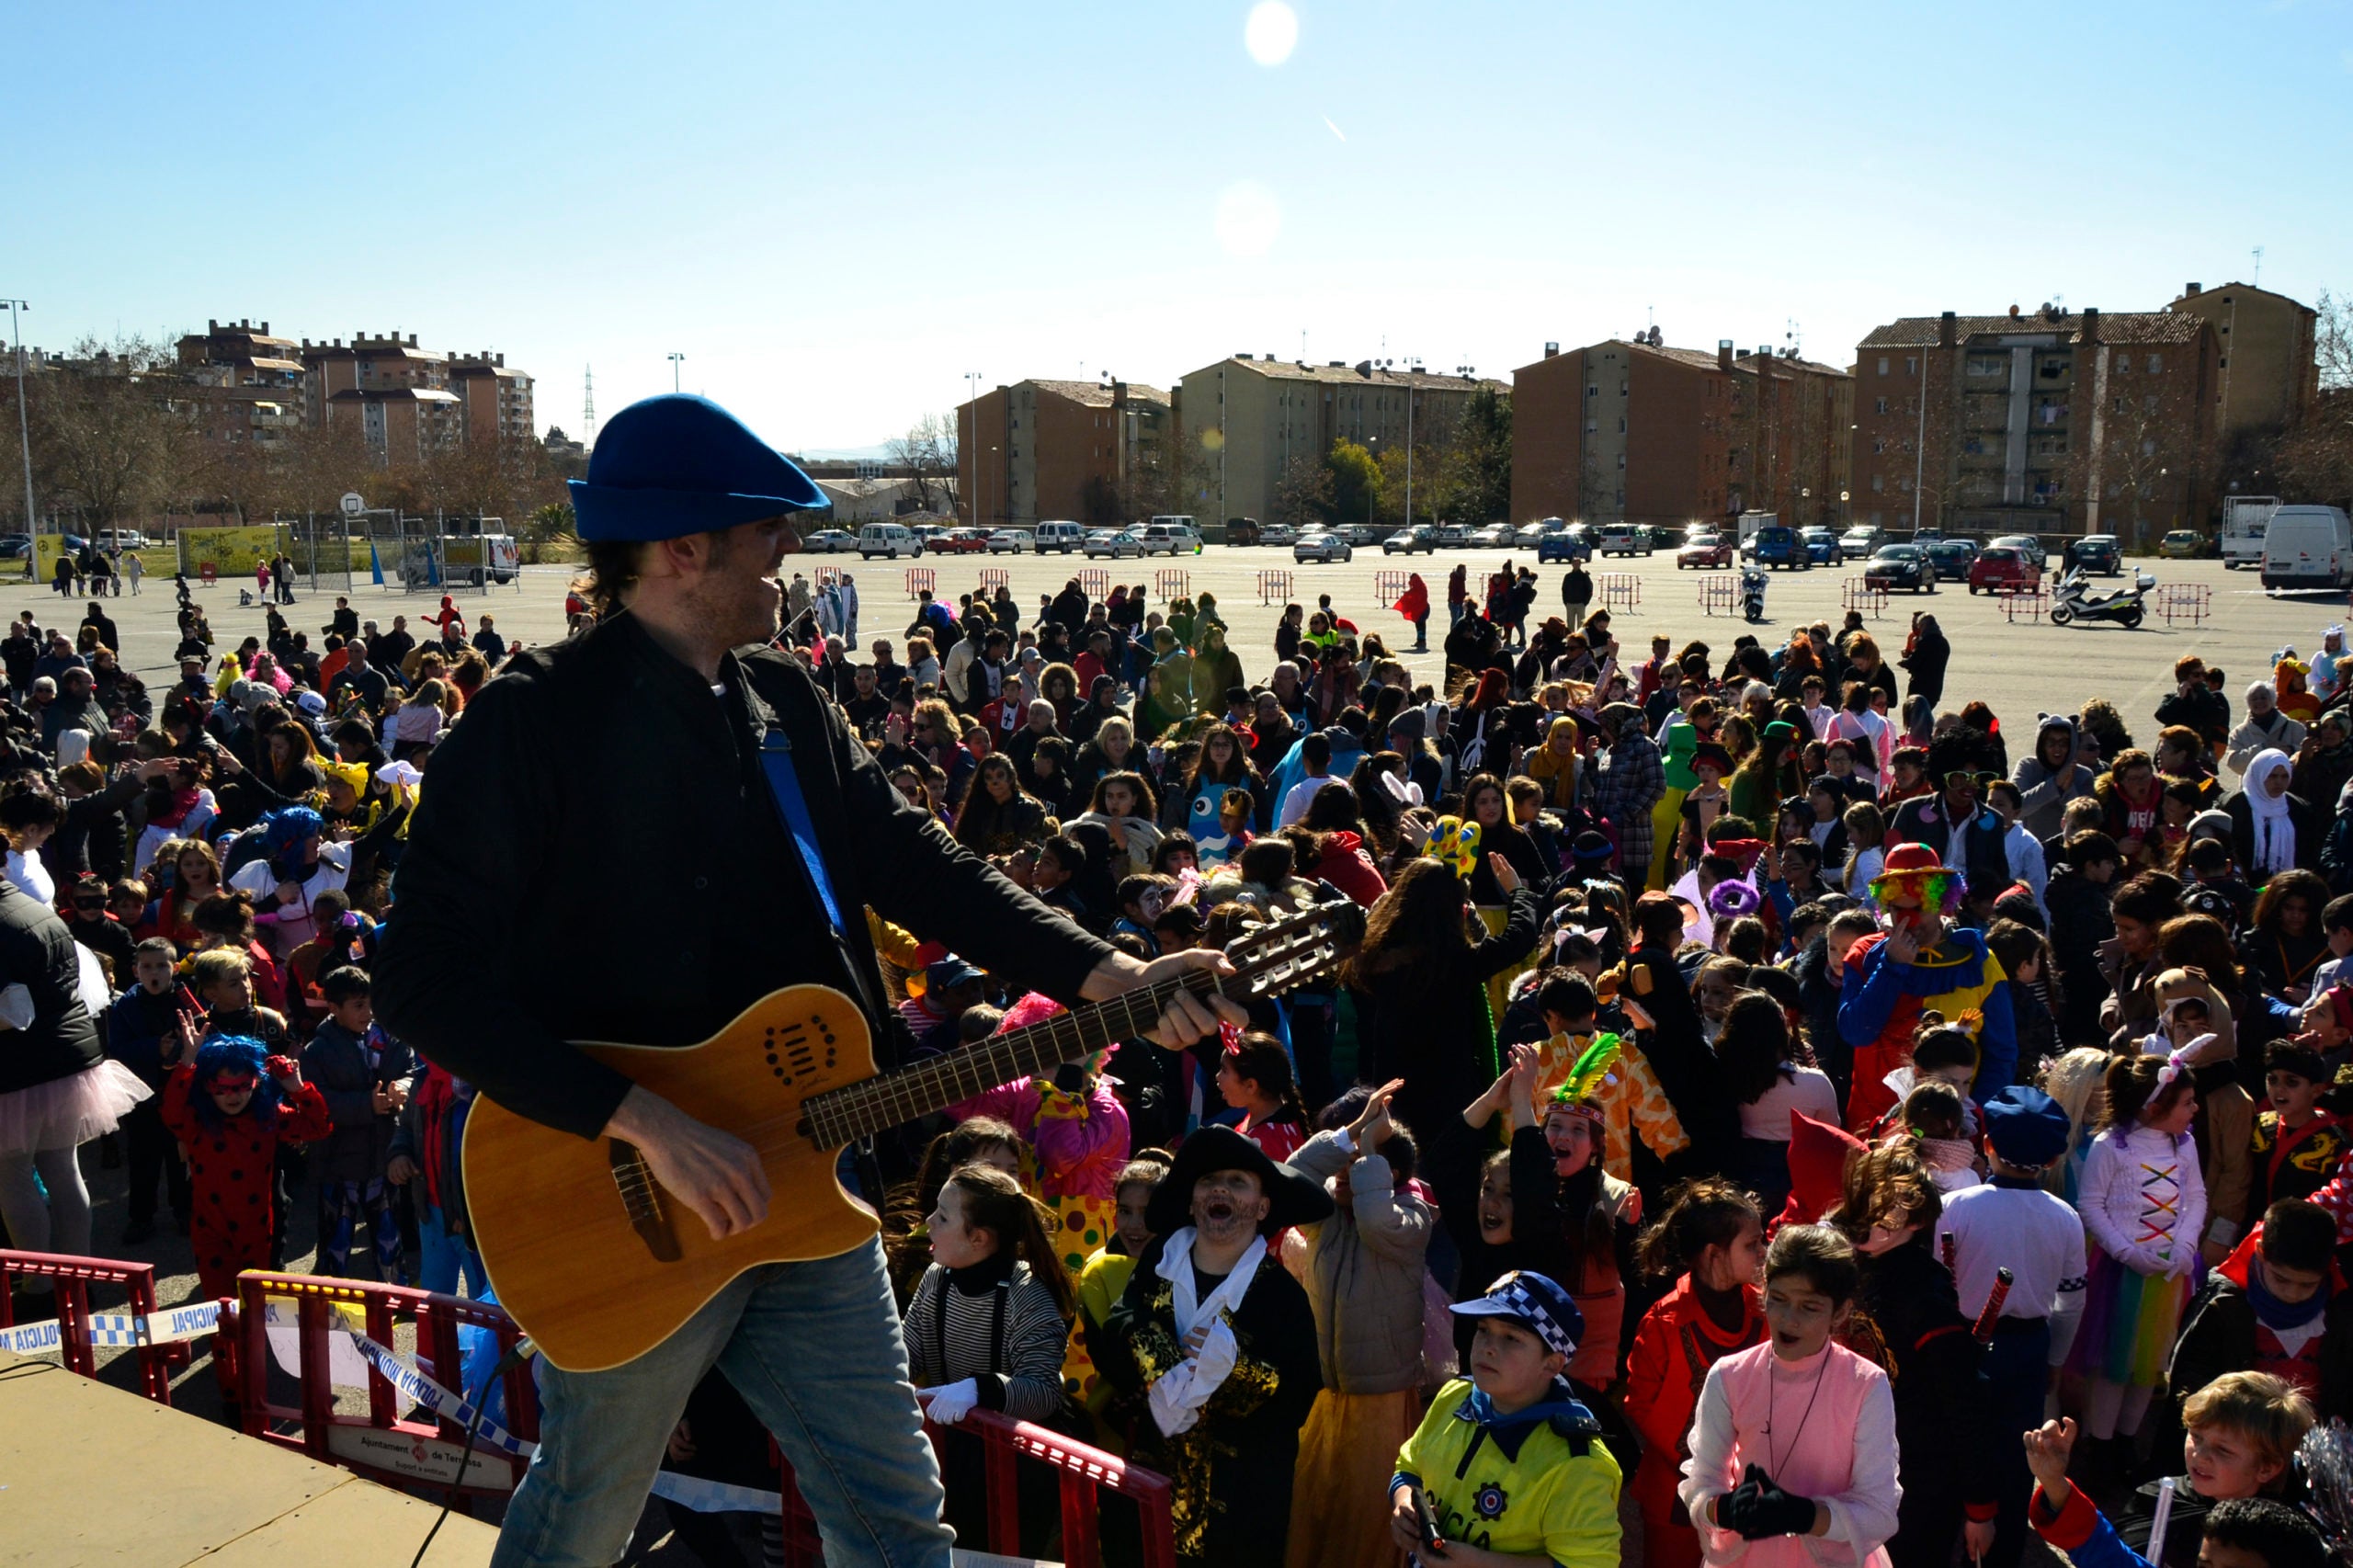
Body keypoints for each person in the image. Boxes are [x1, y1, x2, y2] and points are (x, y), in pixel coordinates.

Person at [371, 393, 1238, 1568]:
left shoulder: (784, 700)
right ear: (684, 549)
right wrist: (641, 1120)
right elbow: (417, 979)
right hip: (619, 1205)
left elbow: (920, 868)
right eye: (767, 531)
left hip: (800, 1194)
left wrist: (1112, 971)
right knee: (585, 1513)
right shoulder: (529, 725)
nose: (792, 554)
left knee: (893, 1522)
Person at [1093, 1123, 1328, 1567]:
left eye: (1237, 1182)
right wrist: (1160, 1360)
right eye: (1207, 1181)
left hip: (1239, 1511)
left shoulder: (1281, 1296)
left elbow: (1297, 1399)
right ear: (1193, 1200)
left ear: (1262, 1207)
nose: (1220, 1188)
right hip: (1148, 1490)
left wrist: (1236, 1372)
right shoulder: (1158, 1264)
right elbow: (1114, 1336)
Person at [1677, 1224, 1902, 1568]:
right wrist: (1724, 1508)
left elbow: (1879, 1510)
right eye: (1778, 1300)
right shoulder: (1730, 1375)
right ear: (1763, 1291)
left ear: (1839, 1312)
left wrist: (1804, 1515)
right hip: (1747, 1555)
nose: (1788, 1319)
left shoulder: (1866, 1384)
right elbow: (1703, 1481)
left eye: (1809, 1307)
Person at [1939, 1085, 2090, 1568]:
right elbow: (2071, 1301)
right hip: (2028, 1348)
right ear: (2050, 1159)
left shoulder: (1955, 1206)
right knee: (2013, 1455)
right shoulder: (2065, 1218)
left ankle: (1949, 1539)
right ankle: (2000, 1554)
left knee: (1956, 1441)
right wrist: (2055, 1360)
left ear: (1986, 1145)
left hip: (1958, 1343)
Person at [1285, 1080, 1433, 1568]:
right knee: (1317, 1505)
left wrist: (1368, 1147)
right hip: (1326, 1392)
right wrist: (1350, 1134)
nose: (1345, 1175)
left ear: (1391, 1173)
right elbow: (1289, 1179)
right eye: (1343, 1165)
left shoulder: (1411, 1216)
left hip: (1382, 1401)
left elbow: (1374, 1221)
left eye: (1362, 1166)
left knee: (1367, 1522)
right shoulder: (1323, 1215)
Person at [1390, 1270, 1625, 1568]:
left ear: (1551, 1364)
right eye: (1483, 1329)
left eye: (1511, 1338)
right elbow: (1408, 1468)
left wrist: (1482, 1564)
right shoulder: (1454, 1396)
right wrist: (1405, 1503)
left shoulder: (1578, 1463)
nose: (1488, 1346)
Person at [904, 1164, 1076, 1553]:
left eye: (943, 1216)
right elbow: (905, 1353)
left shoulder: (1026, 1294)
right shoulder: (936, 1278)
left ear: (978, 1238)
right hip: (952, 1458)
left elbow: (1044, 1391)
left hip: (1016, 1473)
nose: (928, 1222)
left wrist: (980, 1389)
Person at [2068, 1051, 2208, 1470]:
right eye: (2186, 1103)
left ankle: (2128, 1441)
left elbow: (2196, 1197)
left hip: (2170, 1270)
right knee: (2116, 1363)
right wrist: (2127, 1252)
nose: (2194, 1109)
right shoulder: (2111, 1146)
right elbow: (2090, 1205)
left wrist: (2184, 1244)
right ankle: (2101, 1445)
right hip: (2119, 1271)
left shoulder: (2184, 1144)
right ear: (2154, 1107)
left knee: (2151, 1363)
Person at [2026, 1371, 2317, 1568]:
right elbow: (2112, 1558)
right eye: (2197, 1437)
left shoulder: (2290, 1537)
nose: (2199, 1455)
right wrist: (2053, 1482)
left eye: (2223, 1450)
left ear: (2267, 1467)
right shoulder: (2160, 1497)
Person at [1836, 843, 2018, 1130]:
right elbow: (1857, 1032)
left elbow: (2002, 1054)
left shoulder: (1980, 963)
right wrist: (1892, 967)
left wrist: (1973, 1119)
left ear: (1941, 902)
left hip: (1949, 1128)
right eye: (1898, 910)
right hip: (1874, 1125)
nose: (1909, 922)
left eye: (1920, 908)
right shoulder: (1864, 955)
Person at [300, 967, 415, 1282]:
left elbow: (413, 1068)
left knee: (389, 1239)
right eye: (358, 1006)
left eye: (369, 1003)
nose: (368, 1012)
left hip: (382, 1160)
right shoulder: (317, 1050)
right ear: (334, 1009)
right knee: (336, 1244)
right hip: (337, 1165)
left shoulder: (387, 1036)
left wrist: (403, 1086)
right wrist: (367, 1105)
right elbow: (317, 1101)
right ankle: (329, 1309)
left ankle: (396, 1297)